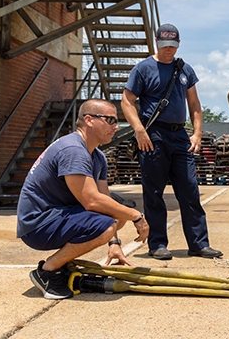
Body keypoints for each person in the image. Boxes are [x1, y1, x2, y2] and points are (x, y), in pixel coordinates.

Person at [16, 99, 150, 300]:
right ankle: (47, 271)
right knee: (106, 224)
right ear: (88, 120)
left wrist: (114, 243)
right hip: (37, 225)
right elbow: (92, 202)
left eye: (117, 121)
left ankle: (60, 264)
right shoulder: (73, 150)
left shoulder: (97, 157)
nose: (116, 126)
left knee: (116, 214)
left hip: (56, 216)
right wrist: (137, 216)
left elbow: (104, 201)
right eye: (110, 120)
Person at [121, 23, 222, 261]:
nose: (169, 50)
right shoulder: (143, 69)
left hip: (180, 136)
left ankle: (199, 243)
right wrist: (139, 131)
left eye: (173, 46)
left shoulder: (184, 69)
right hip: (153, 135)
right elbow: (127, 101)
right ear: (157, 42)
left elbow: (195, 105)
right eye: (165, 45)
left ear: (179, 44)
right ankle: (157, 244)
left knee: (189, 189)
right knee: (154, 191)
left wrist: (196, 134)